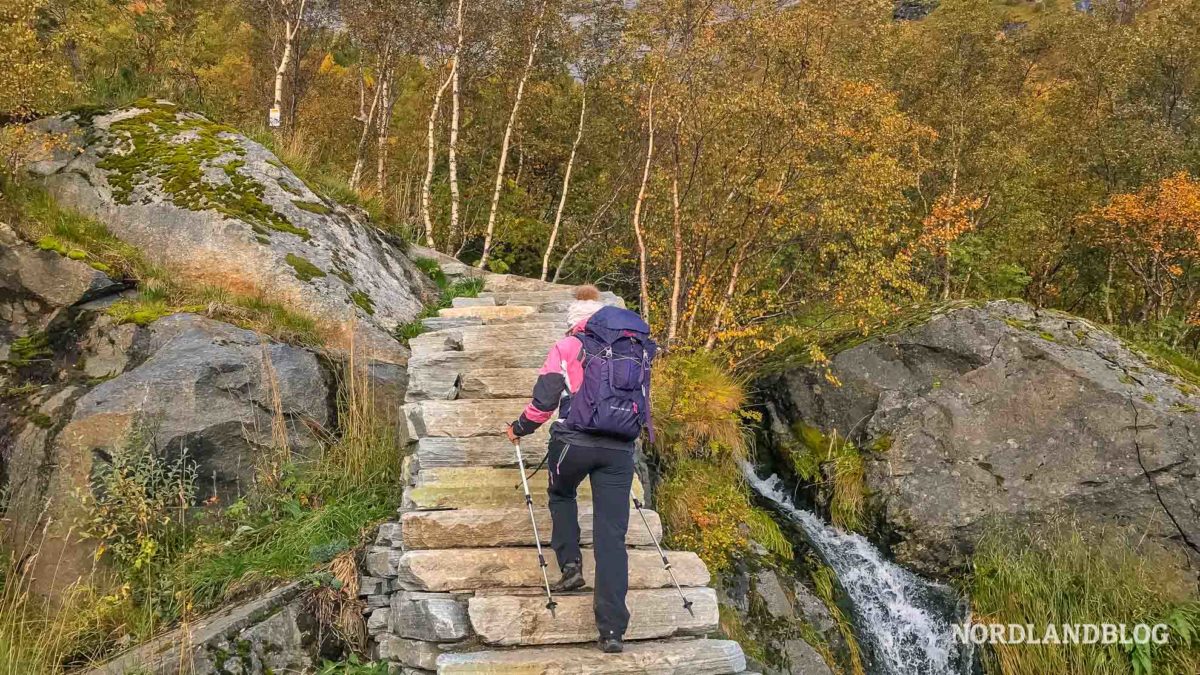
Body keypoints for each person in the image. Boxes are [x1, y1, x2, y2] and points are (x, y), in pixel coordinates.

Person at [505, 284, 657, 654]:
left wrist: (518, 429)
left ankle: (570, 565)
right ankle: (612, 631)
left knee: (561, 493)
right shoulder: (632, 349)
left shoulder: (569, 345)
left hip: (572, 443)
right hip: (620, 449)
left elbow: (543, 403)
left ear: (572, 322)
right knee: (611, 537)